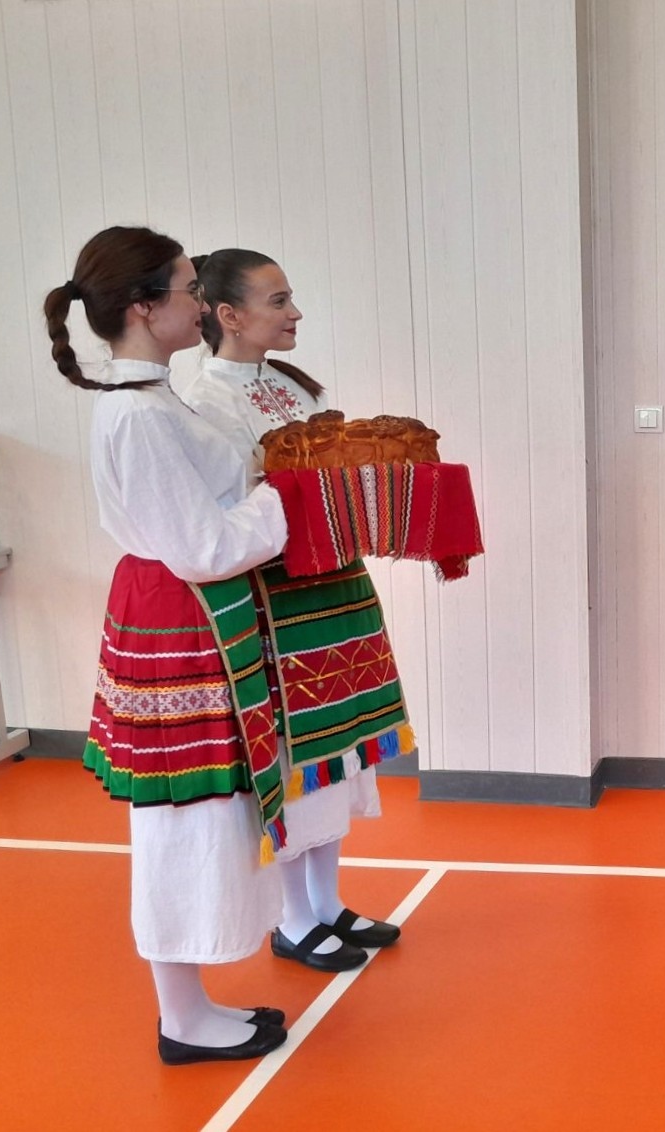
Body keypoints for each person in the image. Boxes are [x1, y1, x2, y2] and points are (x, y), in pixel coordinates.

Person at [45, 226, 290, 1063]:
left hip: (189, 611)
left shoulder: (157, 397)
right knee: (183, 817)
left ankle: (191, 1003)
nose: (200, 300)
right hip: (179, 612)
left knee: (206, 810)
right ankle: (181, 1017)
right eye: (189, 288)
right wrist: (285, 498)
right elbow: (204, 546)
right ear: (145, 308)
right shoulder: (139, 413)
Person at [184, 248, 403, 972]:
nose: (295, 313)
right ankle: (293, 918)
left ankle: (327, 902)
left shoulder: (290, 385)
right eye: (278, 301)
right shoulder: (207, 402)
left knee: (339, 751)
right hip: (277, 599)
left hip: (332, 584)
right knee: (295, 757)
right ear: (228, 314)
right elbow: (234, 510)